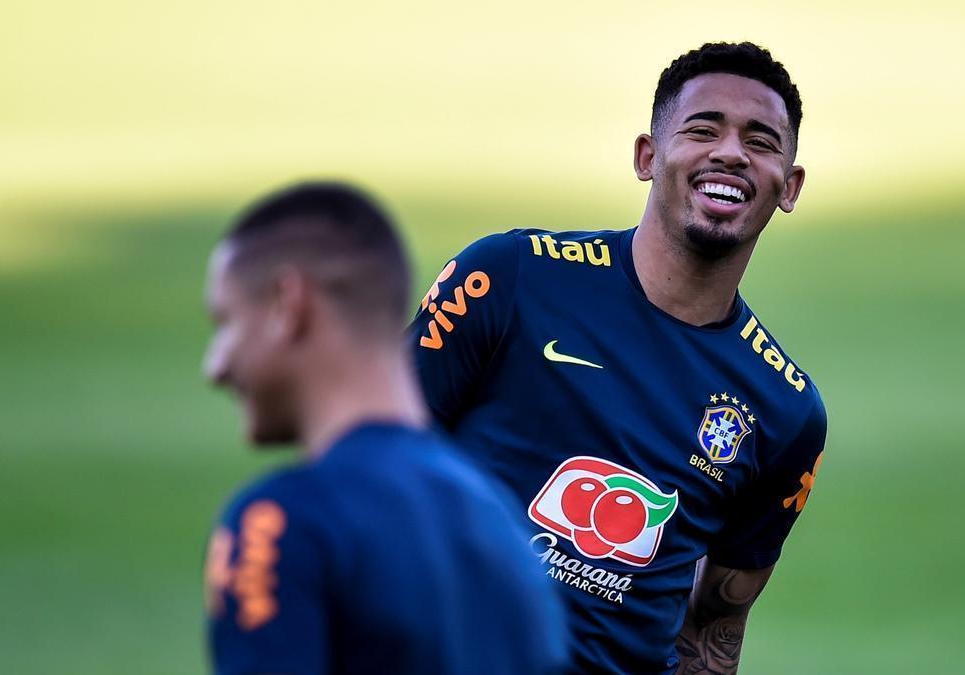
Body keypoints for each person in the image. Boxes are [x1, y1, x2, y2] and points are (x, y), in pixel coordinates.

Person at [409, 42, 827, 674]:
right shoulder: (508, 278)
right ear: (647, 156)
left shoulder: (785, 409)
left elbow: (716, 622)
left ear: (789, 186)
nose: (731, 152)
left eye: (761, 141)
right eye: (702, 129)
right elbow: (370, 464)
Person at [201, 182, 568, 675]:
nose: (216, 365)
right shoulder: (505, 527)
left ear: (289, 306)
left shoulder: (284, 521)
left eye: (226, 322)